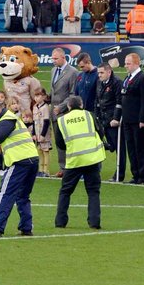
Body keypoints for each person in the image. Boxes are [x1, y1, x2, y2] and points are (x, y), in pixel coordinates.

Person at [0, 101, 40, 237]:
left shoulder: (7, 120)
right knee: (22, 195)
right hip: (32, 159)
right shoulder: (10, 118)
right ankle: (26, 227)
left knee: (5, 194)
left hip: (20, 161)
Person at [53, 96, 105, 229]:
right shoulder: (89, 115)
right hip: (92, 158)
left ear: (69, 107)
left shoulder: (62, 120)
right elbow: (100, 131)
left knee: (65, 191)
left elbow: (60, 143)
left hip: (74, 160)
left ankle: (60, 221)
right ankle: (94, 222)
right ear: (81, 105)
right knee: (93, 191)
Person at [115, 52, 144, 184]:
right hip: (127, 120)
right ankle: (135, 175)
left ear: (136, 63)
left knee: (140, 149)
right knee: (131, 148)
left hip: (138, 121)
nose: (125, 66)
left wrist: (143, 119)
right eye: (125, 63)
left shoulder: (143, 78)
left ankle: (142, 177)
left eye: (128, 63)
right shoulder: (127, 78)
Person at [32, 90, 53, 177]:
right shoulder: (35, 107)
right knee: (39, 151)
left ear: (44, 96)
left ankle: (46, 170)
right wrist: (33, 133)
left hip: (44, 134)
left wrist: (43, 135)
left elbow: (46, 122)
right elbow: (34, 121)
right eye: (35, 96)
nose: (36, 98)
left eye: (39, 96)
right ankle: (40, 170)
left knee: (45, 151)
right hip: (37, 133)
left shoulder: (45, 107)